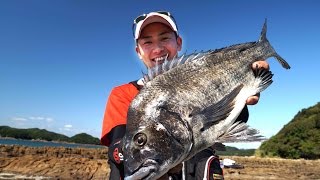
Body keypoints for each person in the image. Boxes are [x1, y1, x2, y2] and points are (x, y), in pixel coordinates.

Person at [101, 11, 269, 180]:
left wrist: (245, 98)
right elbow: (118, 147)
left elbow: (231, 122)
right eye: (147, 42)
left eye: (165, 38)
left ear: (179, 42)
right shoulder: (122, 94)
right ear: (138, 51)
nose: (158, 49)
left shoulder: (203, 76)